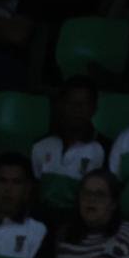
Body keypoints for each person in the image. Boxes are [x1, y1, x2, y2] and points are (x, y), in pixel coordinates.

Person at [30, 76, 107, 214]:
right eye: (72, 103)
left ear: (94, 108)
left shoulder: (104, 148)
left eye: (84, 104)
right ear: (61, 105)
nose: (78, 109)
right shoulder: (40, 145)